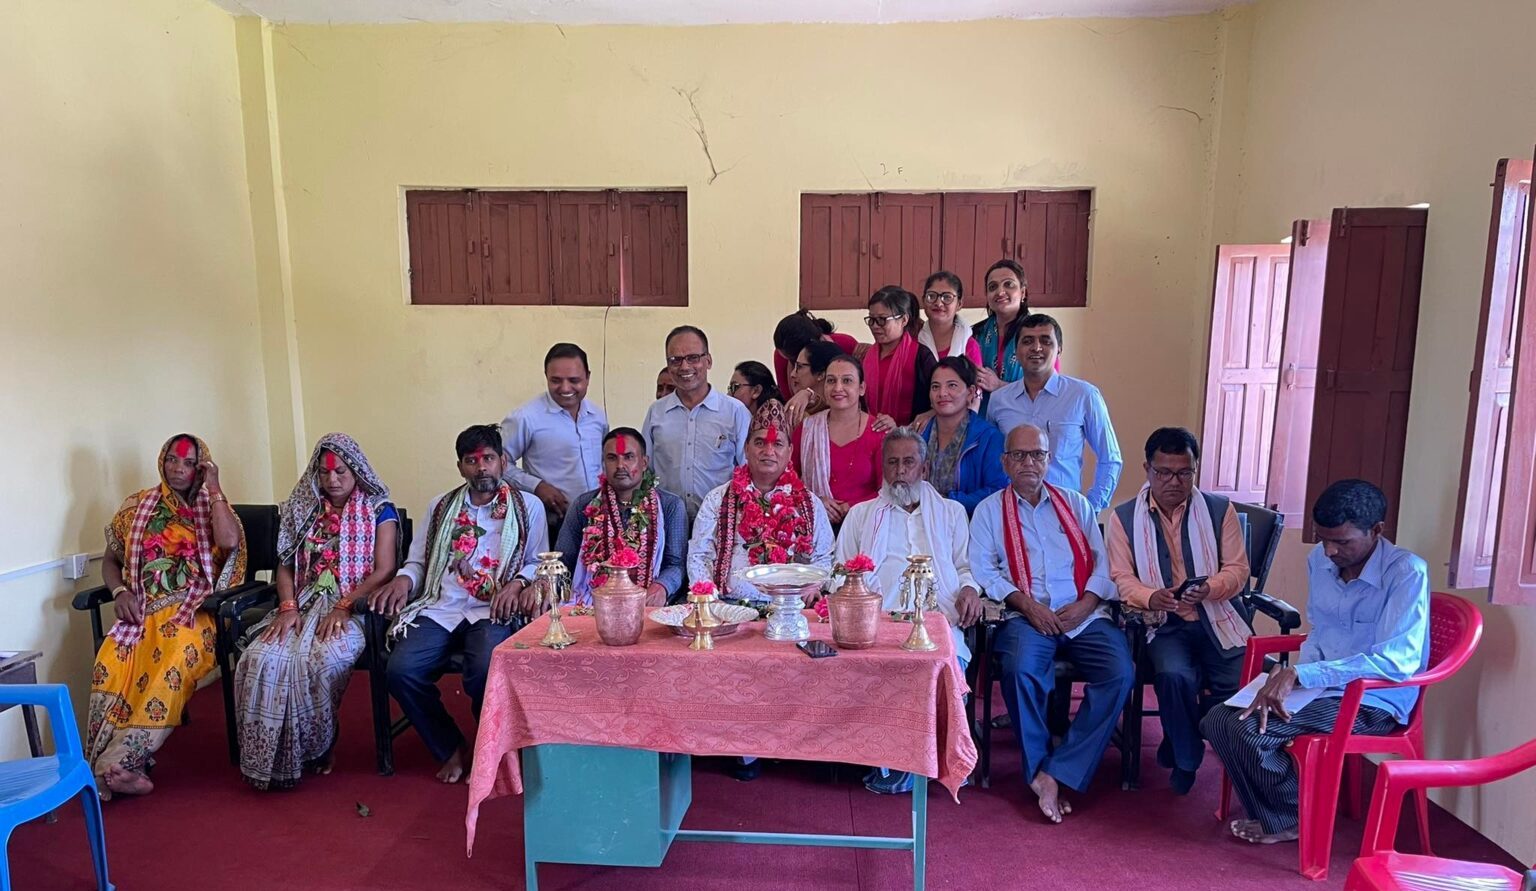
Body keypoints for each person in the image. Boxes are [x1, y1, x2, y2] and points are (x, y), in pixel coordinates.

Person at [1202, 479, 1429, 845]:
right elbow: (1320, 631)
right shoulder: (1319, 562)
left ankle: (1294, 815)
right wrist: (1297, 679)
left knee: (1250, 730)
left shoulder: (1406, 573)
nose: (1330, 551)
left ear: (1376, 530)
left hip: (1374, 698)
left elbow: (1395, 661)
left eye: (1342, 542)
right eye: (1323, 539)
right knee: (1216, 720)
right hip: (1321, 686)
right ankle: (1279, 810)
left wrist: (1301, 675)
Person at [970, 424, 1133, 823]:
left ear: (1048, 459)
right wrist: (1027, 605)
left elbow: (1103, 563)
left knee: (1120, 673)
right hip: (1026, 615)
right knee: (1020, 670)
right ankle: (1039, 769)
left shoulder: (1076, 504)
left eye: (1037, 455)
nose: (1029, 463)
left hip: (1083, 614)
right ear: (1004, 462)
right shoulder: (989, 511)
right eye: (1019, 455)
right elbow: (984, 571)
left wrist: (1087, 603)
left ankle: (1058, 770)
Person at [370, 425, 547, 783]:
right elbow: (418, 562)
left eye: (488, 459)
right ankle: (449, 744)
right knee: (401, 670)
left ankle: (489, 748)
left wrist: (516, 583)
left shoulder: (528, 506)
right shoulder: (440, 507)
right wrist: (403, 580)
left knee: (485, 669)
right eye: (471, 461)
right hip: (442, 605)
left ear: (503, 461)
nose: (481, 468)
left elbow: (537, 561)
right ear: (460, 466)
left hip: (493, 609)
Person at [233, 433, 399, 790]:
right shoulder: (302, 507)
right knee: (259, 657)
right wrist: (287, 607)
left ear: (356, 470)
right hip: (303, 602)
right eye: (324, 472)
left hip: (356, 607)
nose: (332, 480)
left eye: (340, 471)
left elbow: (385, 569)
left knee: (321, 660)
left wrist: (344, 604)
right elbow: (285, 564)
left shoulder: (378, 509)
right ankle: (269, 758)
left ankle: (317, 747)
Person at [86, 434, 247, 799]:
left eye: (188, 463)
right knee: (110, 663)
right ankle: (125, 766)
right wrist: (119, 591)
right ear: (162, 460)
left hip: (196, 613)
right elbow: (111, 560)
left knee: (171, 662)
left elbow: (230, 543)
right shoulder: (136, 507)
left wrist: (215, 487)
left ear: (200, 468)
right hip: (141, 613)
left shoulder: (213, 506)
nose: (178, 469)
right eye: (172, 459)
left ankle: (117, 764)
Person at [836, 427, 983, 794]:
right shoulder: (861, 515)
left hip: (938, 620)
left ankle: (929, 760)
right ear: (882, 468)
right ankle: (898, 761)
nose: (900, 471)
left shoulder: (951, 513)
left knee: (946, 668)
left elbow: (965, 567)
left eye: (908, 462)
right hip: (878, 622)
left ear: (924, 468)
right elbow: (839, 573)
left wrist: (969, 589)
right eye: (892, 463)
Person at [1105, 427, 1250, 795]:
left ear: (1195, 469)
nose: (1174, 482)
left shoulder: (1219, 510)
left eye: (1185, 473)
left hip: (1218, 617)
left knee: (1238, 686)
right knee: (1173, 676)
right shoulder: (1124, 517)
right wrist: (1151, 596)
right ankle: (1187, 757)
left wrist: (1210, 588)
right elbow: (1120, 577)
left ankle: (1184, 739)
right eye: (1164, 473)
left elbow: (1238, 570)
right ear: (1147, 469)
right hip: (1163, 624)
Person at [687, 400, 834, 604]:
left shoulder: (809, 503)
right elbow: (699, 555)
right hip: (729, 606)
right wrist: (710, 601)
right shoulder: (717, 499)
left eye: (777, 444)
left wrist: (813, 586)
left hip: (791, 607)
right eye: (760, 443)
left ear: (790, 451)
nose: (768, 451)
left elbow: (824, 557)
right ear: (746, 448)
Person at [985, 313, 1122, 512]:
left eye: (1046, 341)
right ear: (1016, 350)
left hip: (1065, 513)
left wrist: (1091, 509)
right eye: (1027, 341)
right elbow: (991, 460)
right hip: (1011, 513)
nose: (1036, 347)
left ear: (1059, 348)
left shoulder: (1083, 395)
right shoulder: (999, 400)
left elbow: (1110, 458)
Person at [555, 427, 688, 606]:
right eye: (612, 458)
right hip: (593, 604)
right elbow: (563, 561)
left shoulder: (670, 505)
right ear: (603, 463)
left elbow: (676, 564)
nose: (620, 465)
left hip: (650, 604)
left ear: (644, 463)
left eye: (628, 457)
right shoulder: (584, 505)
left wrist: (662, 586)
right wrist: (544, 584)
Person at [642, 325, 753, 522]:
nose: (685, 367)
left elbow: (748, 470)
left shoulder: (734, 412)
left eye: (693, 358)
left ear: (708, 361)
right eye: (675, 360)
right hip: (669, 522)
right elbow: (646, 470)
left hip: (720, 523)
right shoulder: (656, 412)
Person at [500, 343, 608, 534]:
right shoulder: (526, 417)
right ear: (546, 376)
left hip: (599, 520)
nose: (565, 388)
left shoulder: (598, 416)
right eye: (556, 380)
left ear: (588, 377)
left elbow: (605, 461)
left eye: (574, 380)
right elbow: (499, 464)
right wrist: (537, 487)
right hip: (553, 522)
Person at [793, 354, 884, 525]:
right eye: (831, 381)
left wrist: (851, 507)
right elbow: (788, 480)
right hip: (813, 525)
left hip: (864, 525)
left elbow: (886, 491)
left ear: (862, 388)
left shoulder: (878, 431)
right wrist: (815, 501)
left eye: (847, 381)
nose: (838, 388)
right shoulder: (807, 429)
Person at [922, 357, 1008, 515]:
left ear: (970, 392)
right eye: (935, 387)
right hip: (920, 523)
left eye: (952, 385)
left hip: (971, 524)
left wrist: (948, 502)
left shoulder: (989, 438)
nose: (942, 393)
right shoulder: (919, 435)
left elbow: (998, 492)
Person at [863, 286, 938, 427]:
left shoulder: (921, 356)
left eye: (882, 319)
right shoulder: (867, 357)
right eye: (871, 319)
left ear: (904, 320)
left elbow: (939, 399)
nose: (875, 326)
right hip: (872, 431)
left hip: (911, 434)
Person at [973, 258, 1032, 396]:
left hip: (1025, 410)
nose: (1000, 292)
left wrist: (999, 386)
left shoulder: (1040, 335)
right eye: (992, 287)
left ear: (1023, 292)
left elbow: (1048, 389)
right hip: (982, 409)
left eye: (1009, 284)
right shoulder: (975, 334)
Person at [771, 309, 860, 399]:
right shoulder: (782, 357)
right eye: (794, 363)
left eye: (800, 365)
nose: (792, 374)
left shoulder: (847, 345)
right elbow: (788, 398)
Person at [917, 271, 984, 366]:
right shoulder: (914, 339)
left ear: (959, 304)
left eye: (947, 297)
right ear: (923, 301)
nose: (939, 303)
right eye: (931, 296)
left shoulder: (968, 346)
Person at [783, 339, 848, 431]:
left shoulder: (843, 410)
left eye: (799, 367)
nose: (792, 374)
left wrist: (809, 394)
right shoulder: (803, 407)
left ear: (821, 374)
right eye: (795, 366)